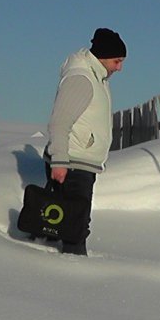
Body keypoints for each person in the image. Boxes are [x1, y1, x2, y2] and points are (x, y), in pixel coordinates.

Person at [43, 28, 127, 256]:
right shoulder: (82, 78)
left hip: (80, 162)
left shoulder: (97, 77)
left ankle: (66, 272)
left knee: (73, 224)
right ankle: (74, 280)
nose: (119, 67)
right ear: (103, 56)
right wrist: (59, 161)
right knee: (75, 229)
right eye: (117, 61)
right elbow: (59, 122)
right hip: (72, 164)